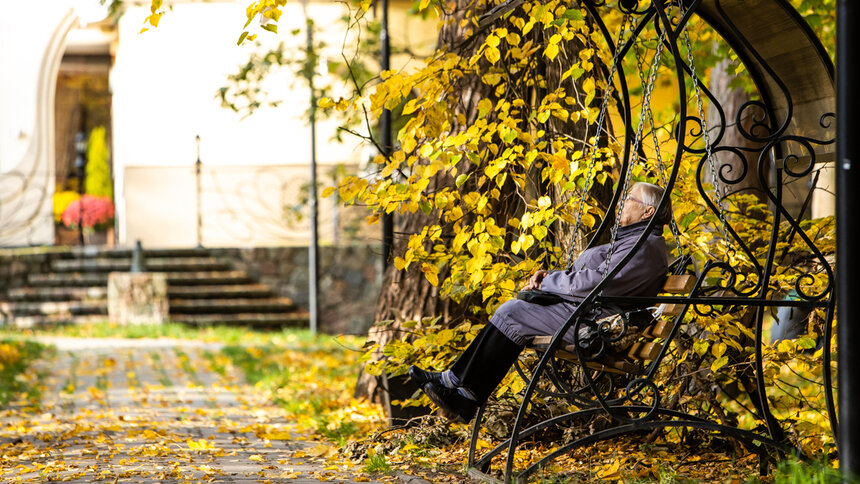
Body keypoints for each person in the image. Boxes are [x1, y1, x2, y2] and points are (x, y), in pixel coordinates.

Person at [409, 182, 672, 423]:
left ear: (647, 212)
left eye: (628, 199)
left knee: (513, 312)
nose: (621, 203)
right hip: (588, 314)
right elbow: (595, 278)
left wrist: (548, 283)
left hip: (595, 325)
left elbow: (596, 282)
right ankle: (461, 390)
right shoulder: (638, 242)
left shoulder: (644, 247)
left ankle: (461, 390)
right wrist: (551, 277)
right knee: (514, 311)